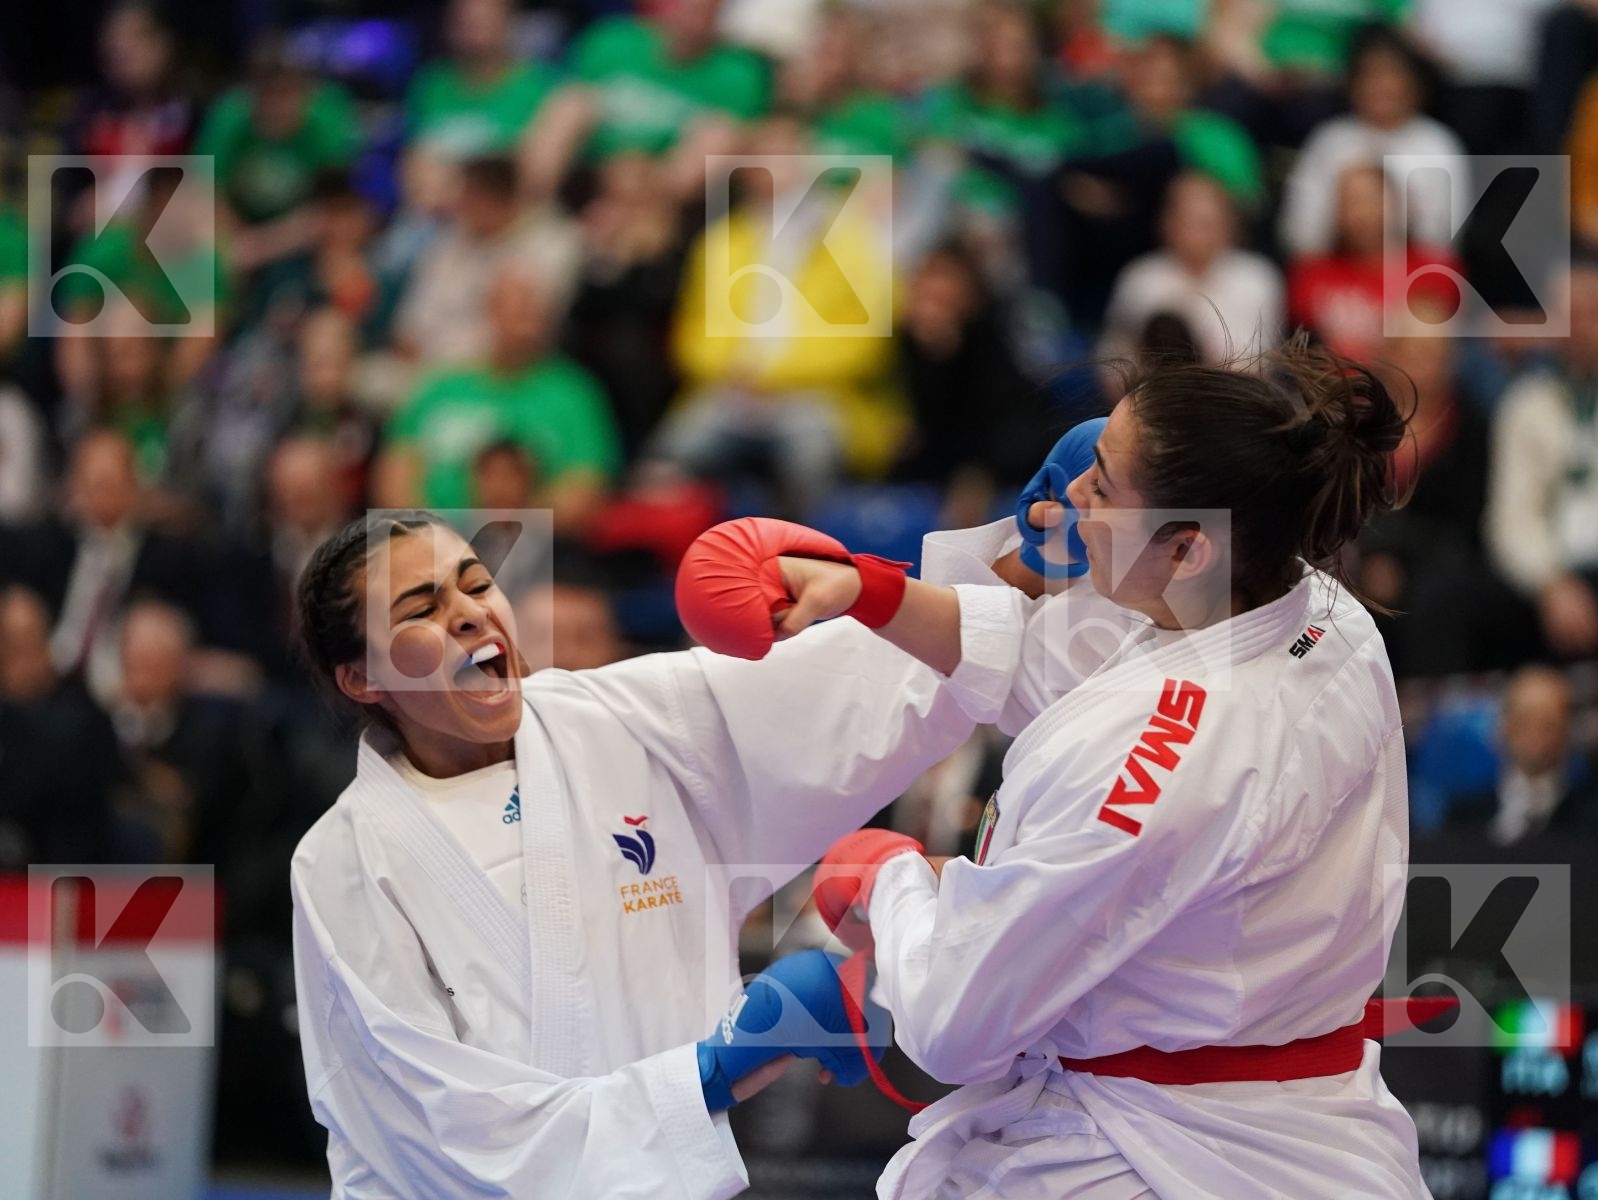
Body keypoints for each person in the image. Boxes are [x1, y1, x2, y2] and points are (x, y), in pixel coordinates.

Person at [744, 340, 1428, 1197]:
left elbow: (955, 1020)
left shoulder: (1159, 765)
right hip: (1303, 1120)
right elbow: (1048, 663)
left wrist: (892, 880)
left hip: (1151, 1156)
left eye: (1101, 484)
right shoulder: (1317, 610)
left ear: (1189, 549)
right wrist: (865, 591)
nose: (1067, 497)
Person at [288, 510, 980, 1196]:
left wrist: (1015, 569)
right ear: (362, 678)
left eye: (476, 585)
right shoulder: (343, 864)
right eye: (422, 608)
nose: (470, 614)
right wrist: (719, 1066)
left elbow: (863, 686)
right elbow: (427, 1122)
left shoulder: (618, 719)